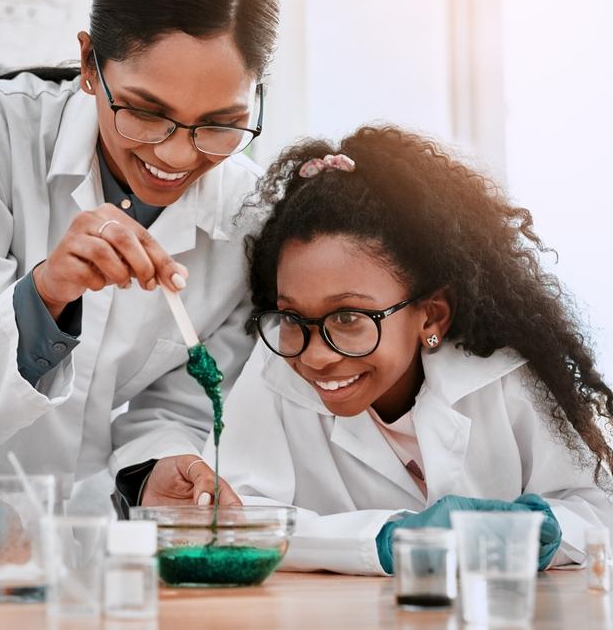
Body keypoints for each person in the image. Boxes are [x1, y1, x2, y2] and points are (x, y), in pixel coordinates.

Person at [0, 0, 280, 512]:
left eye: (222, 122)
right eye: (146, 112)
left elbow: (177, 409)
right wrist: (49, 292)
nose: (177, 155)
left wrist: (154, 469)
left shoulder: (249, 217)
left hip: (88, 527)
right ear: (90, 64)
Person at [196, 126, 613, 575]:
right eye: (293, 317)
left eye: (348, 318)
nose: (315, 355)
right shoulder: (275, 363)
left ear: (430, 317)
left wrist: (546, 528)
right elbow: (230, 518)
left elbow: (598, 513)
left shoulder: (504, 375)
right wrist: (384, 540)